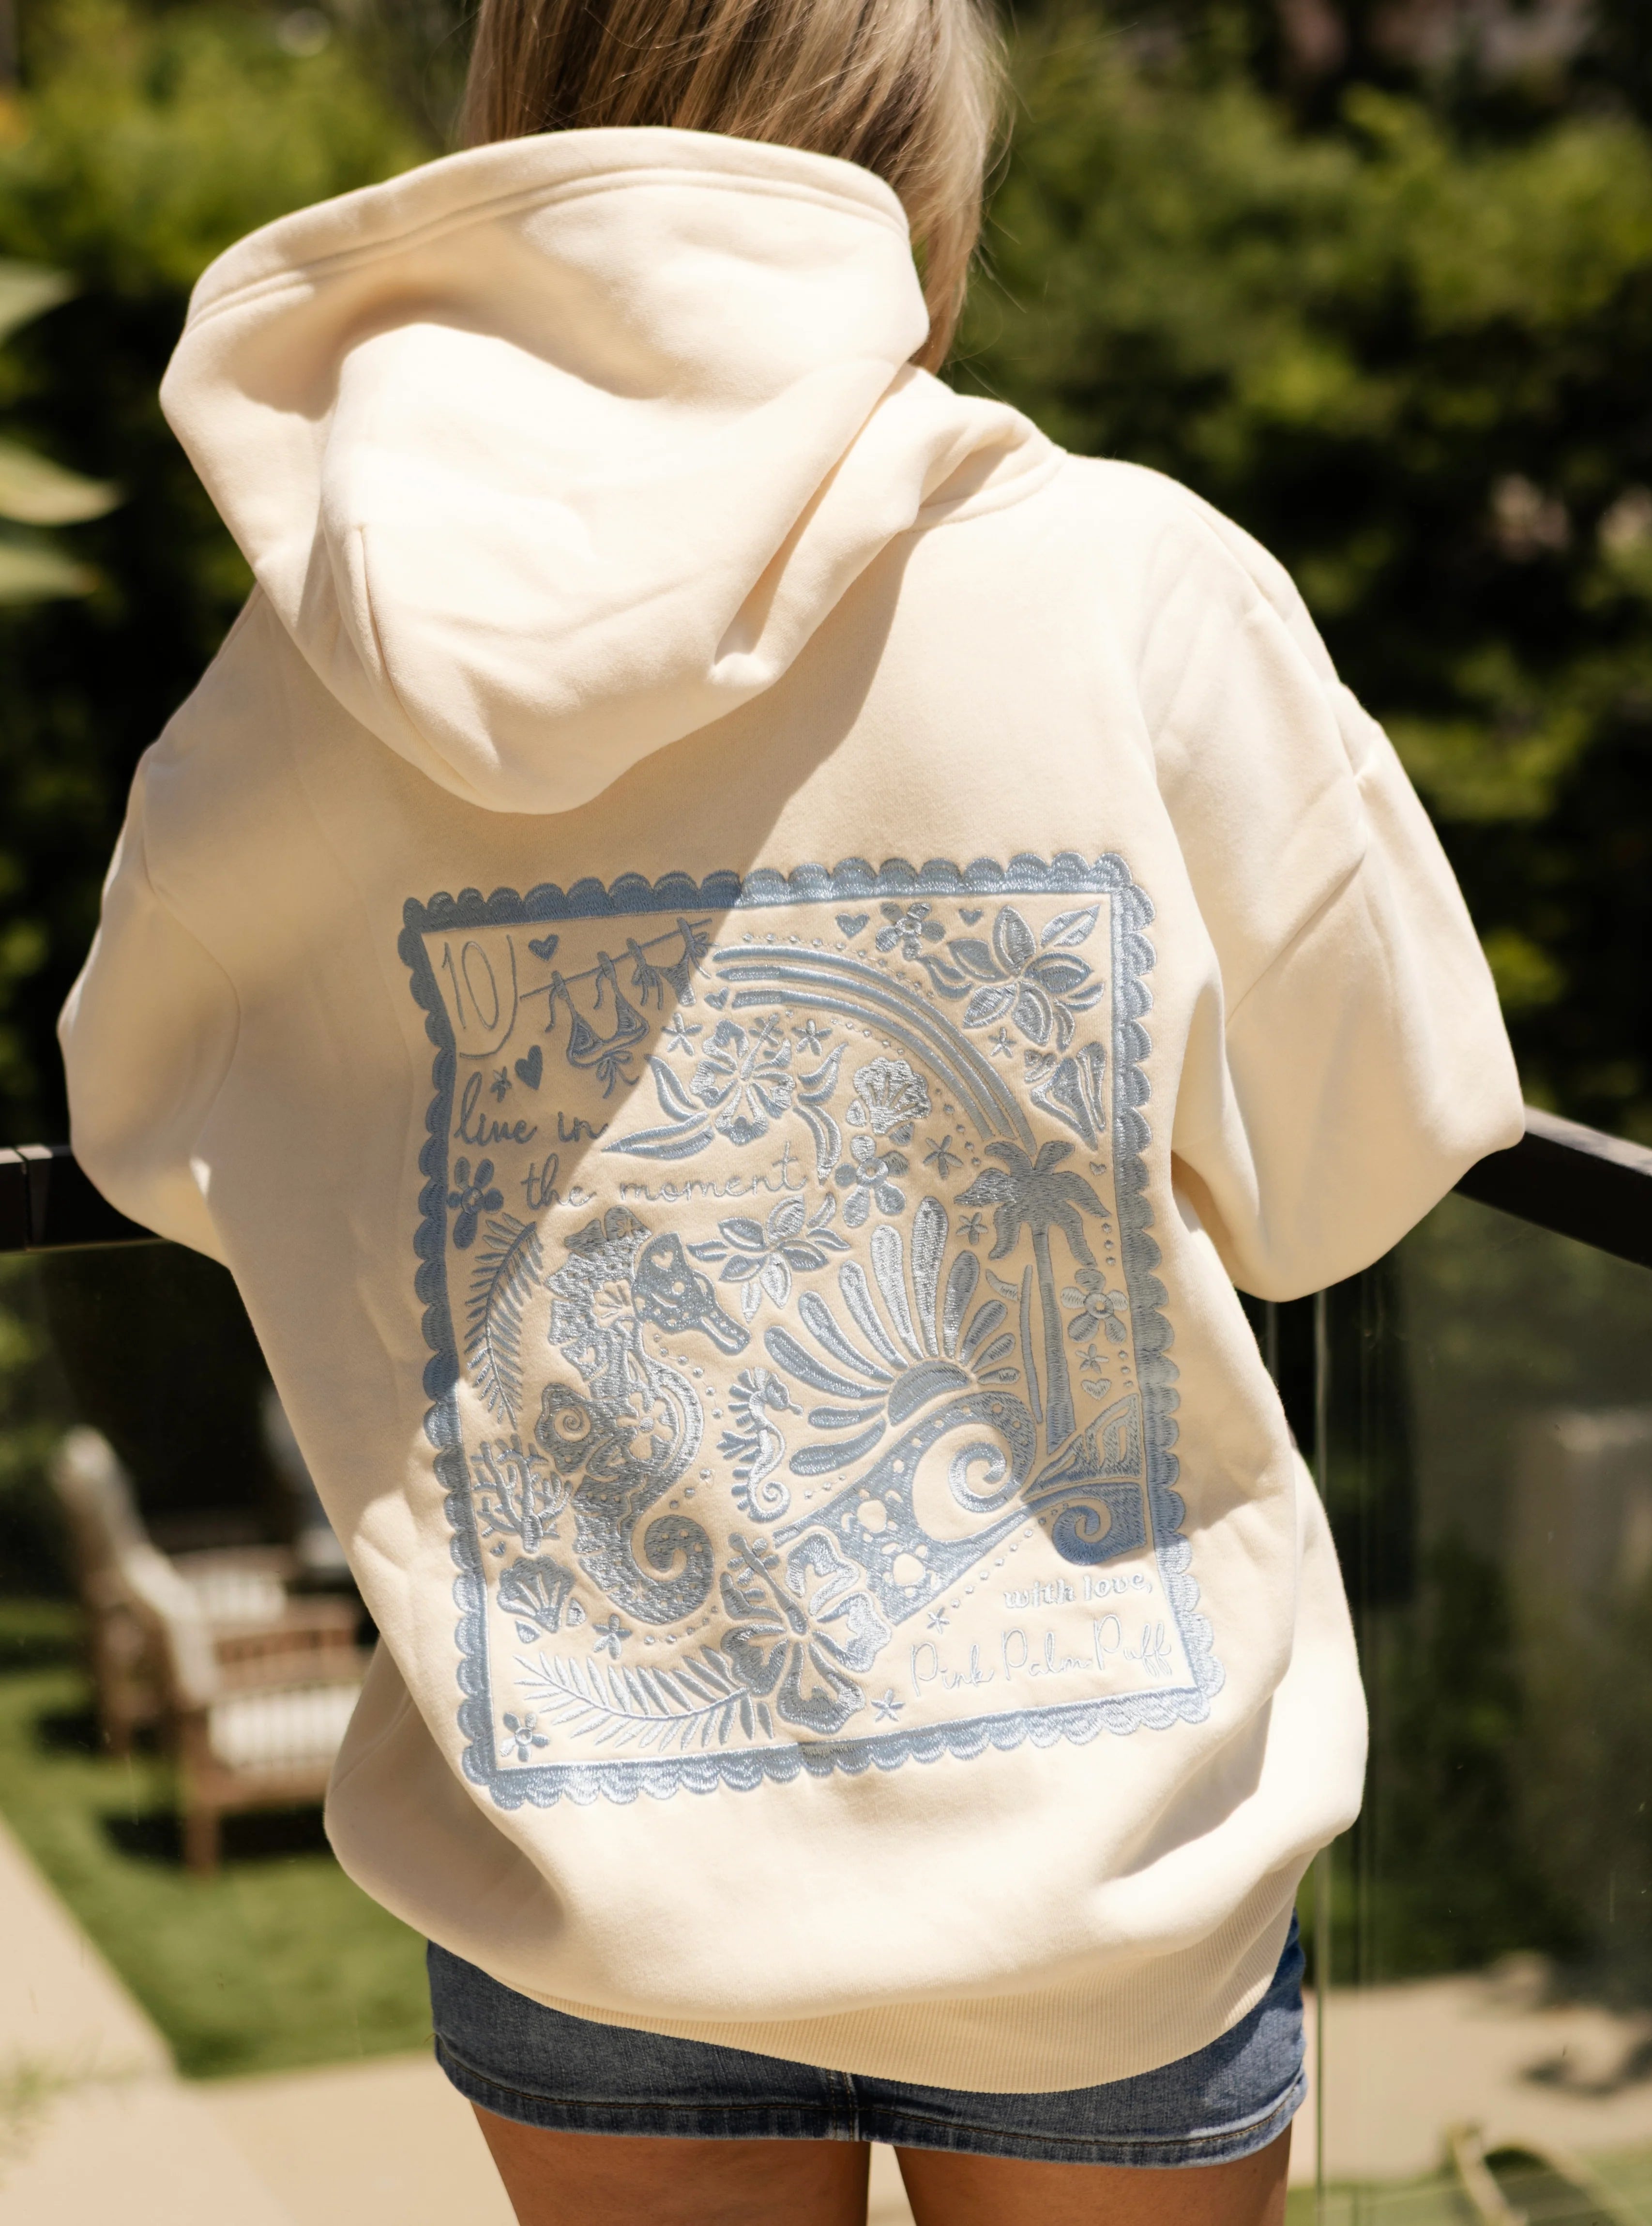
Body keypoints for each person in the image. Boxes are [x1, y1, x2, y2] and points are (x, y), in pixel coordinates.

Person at [58, 0, 1522, 2211]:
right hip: (1106, 1874)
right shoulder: (1128, 584)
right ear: (918, 181)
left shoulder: (313, 664)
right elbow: (1353, 1163)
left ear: (516, 129)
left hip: (590, 1866)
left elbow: (153, 1129)